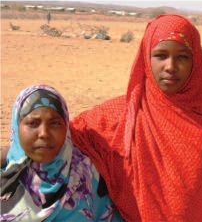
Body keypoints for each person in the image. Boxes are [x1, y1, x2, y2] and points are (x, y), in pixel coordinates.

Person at [70, 14, 202, 221]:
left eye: (182, 56)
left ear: (197, 60)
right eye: (160, 55)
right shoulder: (121, 114)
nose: (170, 66)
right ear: (146, 59)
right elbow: (64, 137)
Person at [0, 85, 123, 222]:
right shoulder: (5, 182)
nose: (44, 134)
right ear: (17, 127)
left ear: (66, 128)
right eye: (33, 123)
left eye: (55, 123)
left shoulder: (88, 178)